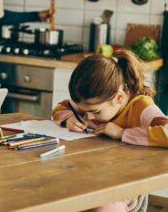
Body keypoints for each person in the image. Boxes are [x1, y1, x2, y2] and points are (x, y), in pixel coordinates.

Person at [52, 50, 167, 212]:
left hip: (122, 186)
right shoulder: (91, 104)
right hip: (87, 177)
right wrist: (68, 118)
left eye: (96, 112)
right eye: (83, 111)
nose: (89, 117)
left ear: (119, 98)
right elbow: (60, 108)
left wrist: (122, 133)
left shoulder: (141, 107)